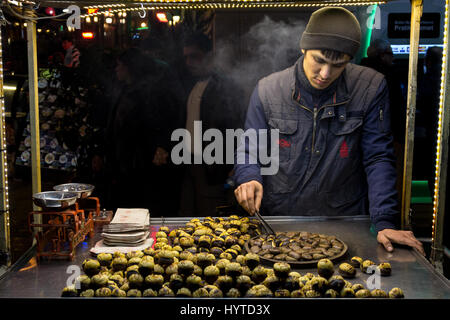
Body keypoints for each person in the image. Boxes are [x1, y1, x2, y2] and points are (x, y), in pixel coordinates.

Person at [233, 7, 424, 255]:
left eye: (338, 65)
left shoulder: (370, 88)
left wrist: (385, 222)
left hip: (345, 222)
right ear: (304, 48)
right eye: (319, 60)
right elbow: (249, 149)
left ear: (350, 61)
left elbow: (378, 157)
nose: (325, 74)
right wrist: (248, 177)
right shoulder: (268, 90)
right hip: (279, 222)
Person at [104, 47, 180, 214]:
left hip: (141, 165)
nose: (116, 69)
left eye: (119, 65)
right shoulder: (124, 89)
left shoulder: (150, 92)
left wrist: (161, 146)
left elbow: (162, 122)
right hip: (126, 163)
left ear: (129, 67)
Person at [178, 32, 246, 216]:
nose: (189, 62)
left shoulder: (226, 86)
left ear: (209, 57)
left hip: (213, 165)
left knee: (210, 215)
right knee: (190, 212)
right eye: (186, 57)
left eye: (194, 56)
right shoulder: (191, 84)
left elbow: (237, 126)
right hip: (190, 160)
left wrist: (232, 164)